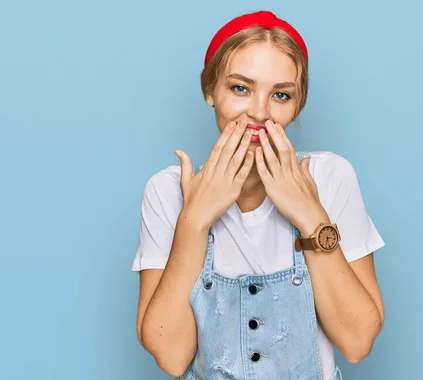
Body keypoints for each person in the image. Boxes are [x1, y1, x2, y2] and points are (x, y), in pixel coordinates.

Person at [131, 10, 386, 380]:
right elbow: (171, 356)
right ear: (209, 91)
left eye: (280, 94)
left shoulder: (330, 177)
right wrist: (194, 220)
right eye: (241, 88)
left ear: (296, 104)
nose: (260, 112)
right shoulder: (167, 191)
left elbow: (358, 342)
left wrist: (310, 215)